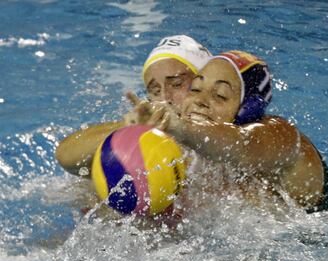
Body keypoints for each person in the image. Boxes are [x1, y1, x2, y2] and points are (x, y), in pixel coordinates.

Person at [124, 50, 328, 213]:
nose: (199, 101)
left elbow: (241, 146)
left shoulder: (284, 137)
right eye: (196, 89)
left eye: (220, 95)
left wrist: (180, 127)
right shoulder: (188, 151)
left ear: (248, 108)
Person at [55, 35, 211, 176]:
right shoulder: (147, 139)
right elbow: (66, 157)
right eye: (155, 90)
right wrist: (127, 130)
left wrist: (183, 129)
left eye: (177, 84)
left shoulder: (226, 136)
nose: (165, 98)